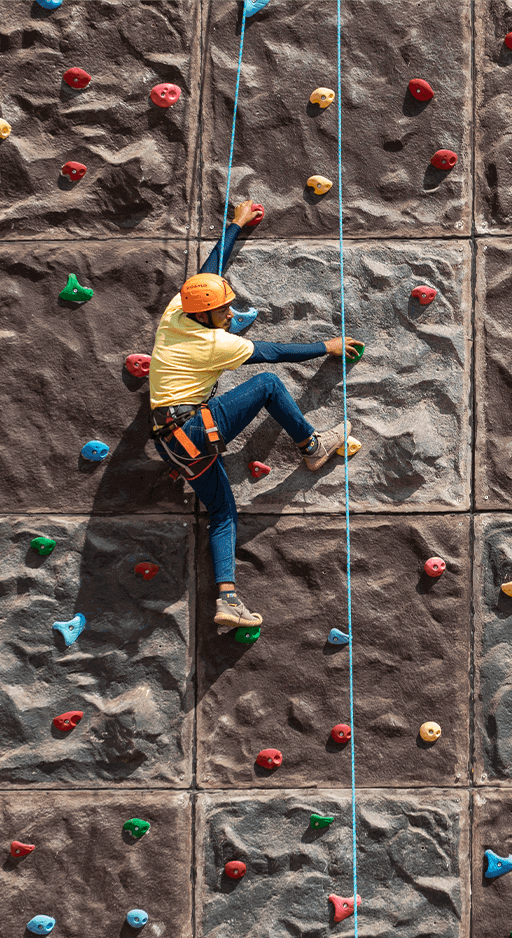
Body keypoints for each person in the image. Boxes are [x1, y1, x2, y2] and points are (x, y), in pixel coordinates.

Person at [148, 199, 362, 629]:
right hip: (194, 427)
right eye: (224, 310)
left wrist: (235, 226)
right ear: (205, 315)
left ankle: (227, 599)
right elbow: (273, 352)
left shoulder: (177, 313)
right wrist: (328, 347)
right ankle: (312, 446)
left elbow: (207, 274)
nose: (230, 313)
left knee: (224, 513)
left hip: (172, 440)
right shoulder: (216, 344)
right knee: (266, 384)